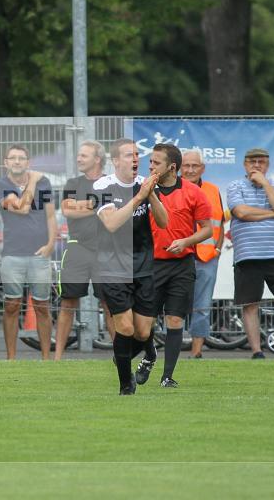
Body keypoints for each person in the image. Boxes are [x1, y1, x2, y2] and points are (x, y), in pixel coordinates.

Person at [134, 144, 212, 388]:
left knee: (175, 320)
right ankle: (149, 356)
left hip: (182, 265)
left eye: (156, 162)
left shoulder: (194, 192)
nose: (150, 166)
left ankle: (167, 377)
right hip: (150, 265)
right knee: (142, 327)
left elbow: (208, 229)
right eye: (150, 162)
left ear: (172, 167)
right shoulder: (141, 190)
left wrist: (186, 241)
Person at [94, 139, 168, 395]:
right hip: (112, 267)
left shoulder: (144, 186)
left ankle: (126, 355)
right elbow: (112, 223)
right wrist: (139, 197)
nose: (135, 159)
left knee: (143, 330)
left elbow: (164, 222)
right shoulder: (103, 186)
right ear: (115, 161)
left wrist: (152, 195)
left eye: (137, 154)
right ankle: (126, 384)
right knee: (124, 327)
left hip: (144, 266)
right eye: (128, 155)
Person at [226, 148, 274, 359]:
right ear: (245, 165)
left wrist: (265, 184)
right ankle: (256, 351)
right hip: (247, 255)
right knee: (250, 304)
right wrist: (273, 214)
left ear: (268, 165)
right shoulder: (235, 186)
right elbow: (241, 212)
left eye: (261, 162)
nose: (256, 166)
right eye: (252, 162)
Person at [0, 144, 58, 360]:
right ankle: (11, 358)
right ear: (6, 162)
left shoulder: (45, 183)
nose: (17, 161)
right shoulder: (0, 185)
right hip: (12, 254)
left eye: (21, 158)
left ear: (28, 162)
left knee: (42, 306)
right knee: (12, 305)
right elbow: (22, 207)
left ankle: (47, 358)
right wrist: (33, 181)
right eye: (13, 158)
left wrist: (50, 244)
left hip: (40, 255)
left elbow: (50, 217)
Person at [55, 140, 116, 360]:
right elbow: (68, 210)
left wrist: (86, 205)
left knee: (109, 304)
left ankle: (122, 358)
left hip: (107, 251)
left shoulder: (111, 183)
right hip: (77, 248)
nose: (79, 158)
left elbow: (115, 214)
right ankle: (57, 358)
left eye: (84, 155)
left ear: (97, 159)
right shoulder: (73, 183)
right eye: (79, 155)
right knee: (68, 303)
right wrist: (98, 205)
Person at [181, 149, 226, 358]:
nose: (190, 170)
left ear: (203, 168)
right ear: (179, 167)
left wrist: (217, 248)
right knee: (172, 304)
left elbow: (220, 223)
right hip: (177, 257)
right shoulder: (169, 189)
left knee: (203, 306)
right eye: (186, 165)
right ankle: (170, 349)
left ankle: (196, 351)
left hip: (207, 257)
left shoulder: (213, 190)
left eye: (194, 166)